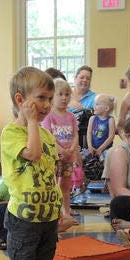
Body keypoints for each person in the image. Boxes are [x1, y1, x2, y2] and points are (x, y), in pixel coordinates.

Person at [1, 67, 62, 260]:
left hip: (46, 214)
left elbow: (52, 169)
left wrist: (59, 206)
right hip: (23, 215)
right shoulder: (11, 134)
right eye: (41, 98)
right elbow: (34, 154)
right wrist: (33, 122)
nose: (47, 105)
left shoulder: (47, 135)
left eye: (50, 98)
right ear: (20, 100)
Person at [41, 78, 79, 218]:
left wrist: (72, 150)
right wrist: (61, 150)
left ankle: (66, 213)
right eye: (60, 94)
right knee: (53, 186)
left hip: (68, 157)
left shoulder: (71, 116)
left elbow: (75, 135)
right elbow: (48, 136)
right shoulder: (48, 116)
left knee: (65, 187)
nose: (64, 98)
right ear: (52, 96)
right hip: (54, 158)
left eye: (67, 94)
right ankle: (54, 215)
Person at [68, 65, 95, 149]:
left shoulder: (95, 98)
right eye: (82, 77)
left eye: (88, 78)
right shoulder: (65, 94)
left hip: (84, 139)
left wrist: (82, 109)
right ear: (75, 78)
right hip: (63, 136)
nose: (85, 80)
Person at [86, 94, 116, 159]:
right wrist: (90, 146)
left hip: (105, 149)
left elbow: (111, 137)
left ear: (106, 108)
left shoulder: (110, 120)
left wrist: (101, 149)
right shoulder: (92, 118)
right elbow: (89, 133)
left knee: (106, 160)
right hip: (92, 148)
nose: (94, 106)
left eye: (97, 104)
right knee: (84, 158)